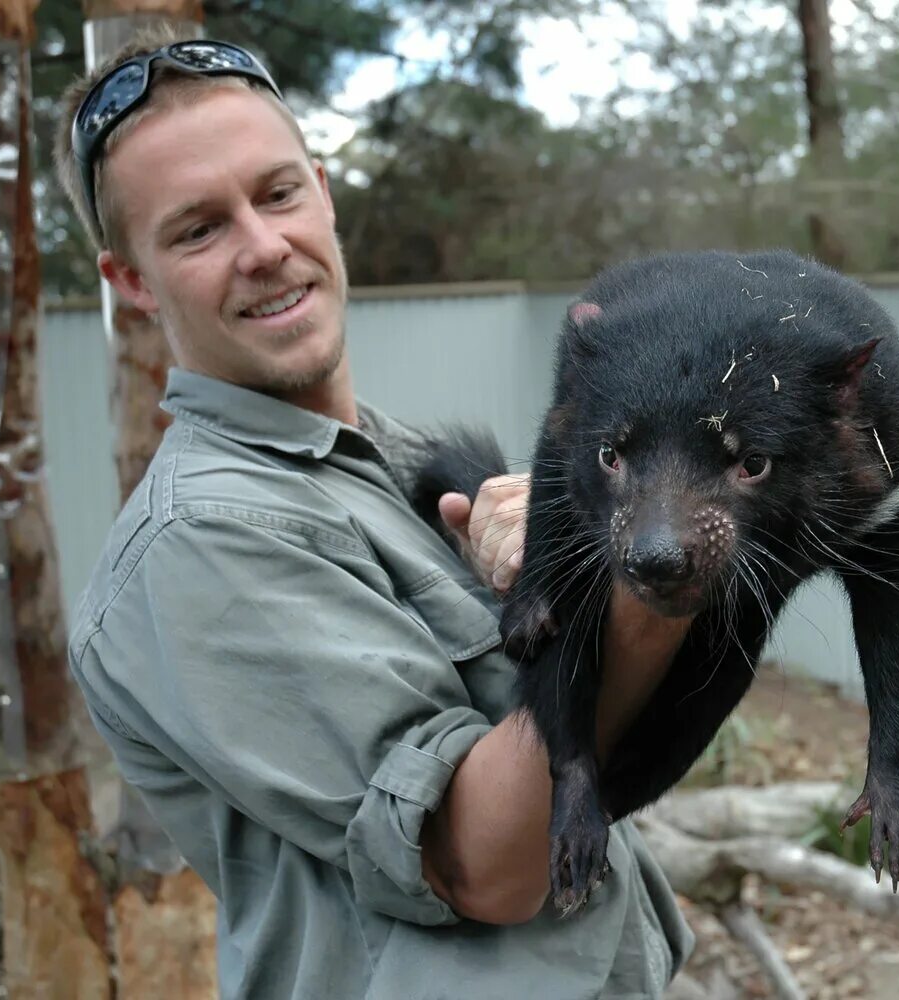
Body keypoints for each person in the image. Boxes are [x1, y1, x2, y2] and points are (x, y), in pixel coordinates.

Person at [56, 27, 694, 999]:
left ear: (322, 188)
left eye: (276, 194)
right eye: (198, 228)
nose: (264, 247)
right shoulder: (199, 542)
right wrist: (641, 578)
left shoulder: (401, 468)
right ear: (131, 281)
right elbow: (487, 863)